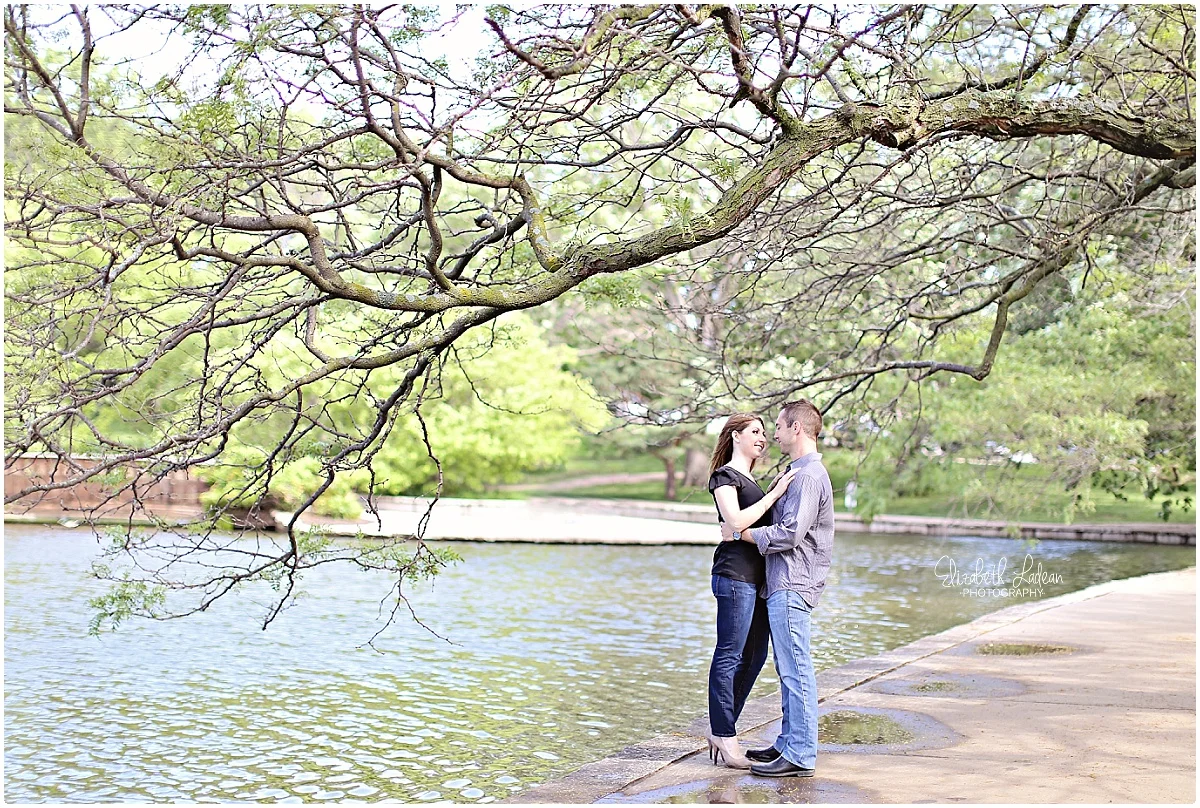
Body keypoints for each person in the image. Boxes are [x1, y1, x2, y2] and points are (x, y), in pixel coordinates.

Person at [720, 399, 834, 778]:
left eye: (780, 427)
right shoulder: (798, 472)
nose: (775, 435)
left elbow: (789, 533)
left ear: (797, 429)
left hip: (792, 581)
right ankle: (788, 742)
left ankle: (800, 753)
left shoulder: (807, 476)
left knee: (795, 670)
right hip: (783, 581)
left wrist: (742, 532)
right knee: (788, 668)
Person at [705, 413, 796, 769]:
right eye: (755, 432)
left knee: (755, 656)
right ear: (735, 436)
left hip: (757, 582)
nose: (762, 438)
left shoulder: (751, 481)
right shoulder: (724, 477)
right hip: (734, 577)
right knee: (729, 655)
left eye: (763, 432)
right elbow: (737, 522)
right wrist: (774, 494)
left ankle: (722, 728)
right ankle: (725, 736)